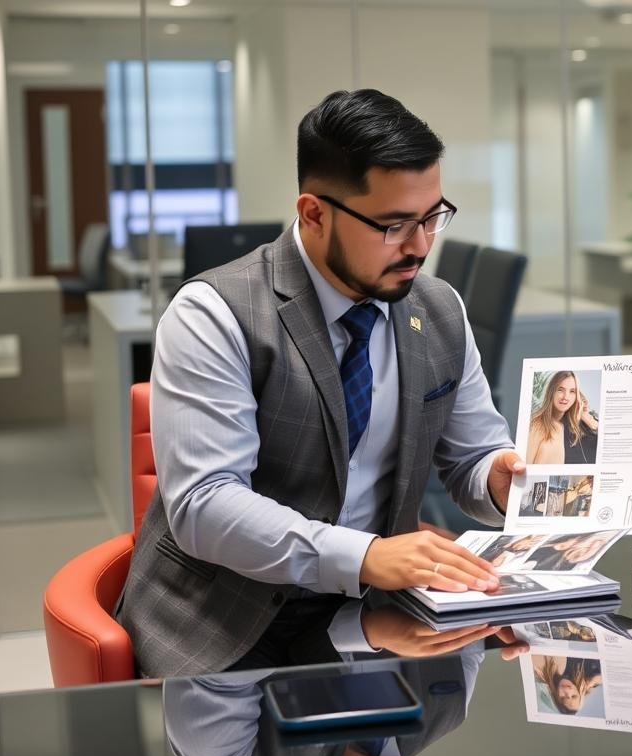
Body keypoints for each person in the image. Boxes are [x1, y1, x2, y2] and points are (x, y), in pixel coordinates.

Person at [116, 89, 527, 678]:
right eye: (393, 225)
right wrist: (366, 556)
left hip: (383, 612)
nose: (419, 246)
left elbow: (473, 456)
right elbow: (204, 506)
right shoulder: (213, 312)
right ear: (313, 213)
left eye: (433, 217)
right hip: (226, 619)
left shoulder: (437, 310)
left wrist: (499, 478)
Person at [526, 371, 599, 464]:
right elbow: (526, 465)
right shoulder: (538, 424)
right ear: (552, 391)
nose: (565, 397)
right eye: (560, 390)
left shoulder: (570, 427)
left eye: (572, 391)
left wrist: (586, 417)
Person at [532, 655, 602, 715]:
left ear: (554, 696)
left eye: (563, 697)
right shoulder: (586, 675)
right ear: (579, 693)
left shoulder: (543, 671)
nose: (568, 690)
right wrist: (593, 681)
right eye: (574, 696)